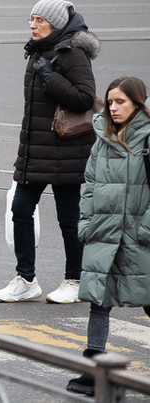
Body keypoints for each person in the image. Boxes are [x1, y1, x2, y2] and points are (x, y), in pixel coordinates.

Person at [0, 0, 99, 304]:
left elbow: (84, 99)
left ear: (56, 24)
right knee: (20, 209)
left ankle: (75, 279)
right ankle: (26, 280)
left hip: (65, 151)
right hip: (37, 150)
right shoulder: (39, 51)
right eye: (31, 19)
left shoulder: (72, 54)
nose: (33, 25)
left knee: (68, 217)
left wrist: (49, 76)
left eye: (40, 20)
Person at [67, 77, 150, 396]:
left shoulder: (147, 139)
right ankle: (93, 366)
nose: (113, 108)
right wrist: (85, 224)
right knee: (99, 301)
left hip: (138, 238)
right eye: (110, 102)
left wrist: (145, 229)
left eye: (121, 102)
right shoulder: (102, 137)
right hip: (103, 234)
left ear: (138, 105)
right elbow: (89, 184)